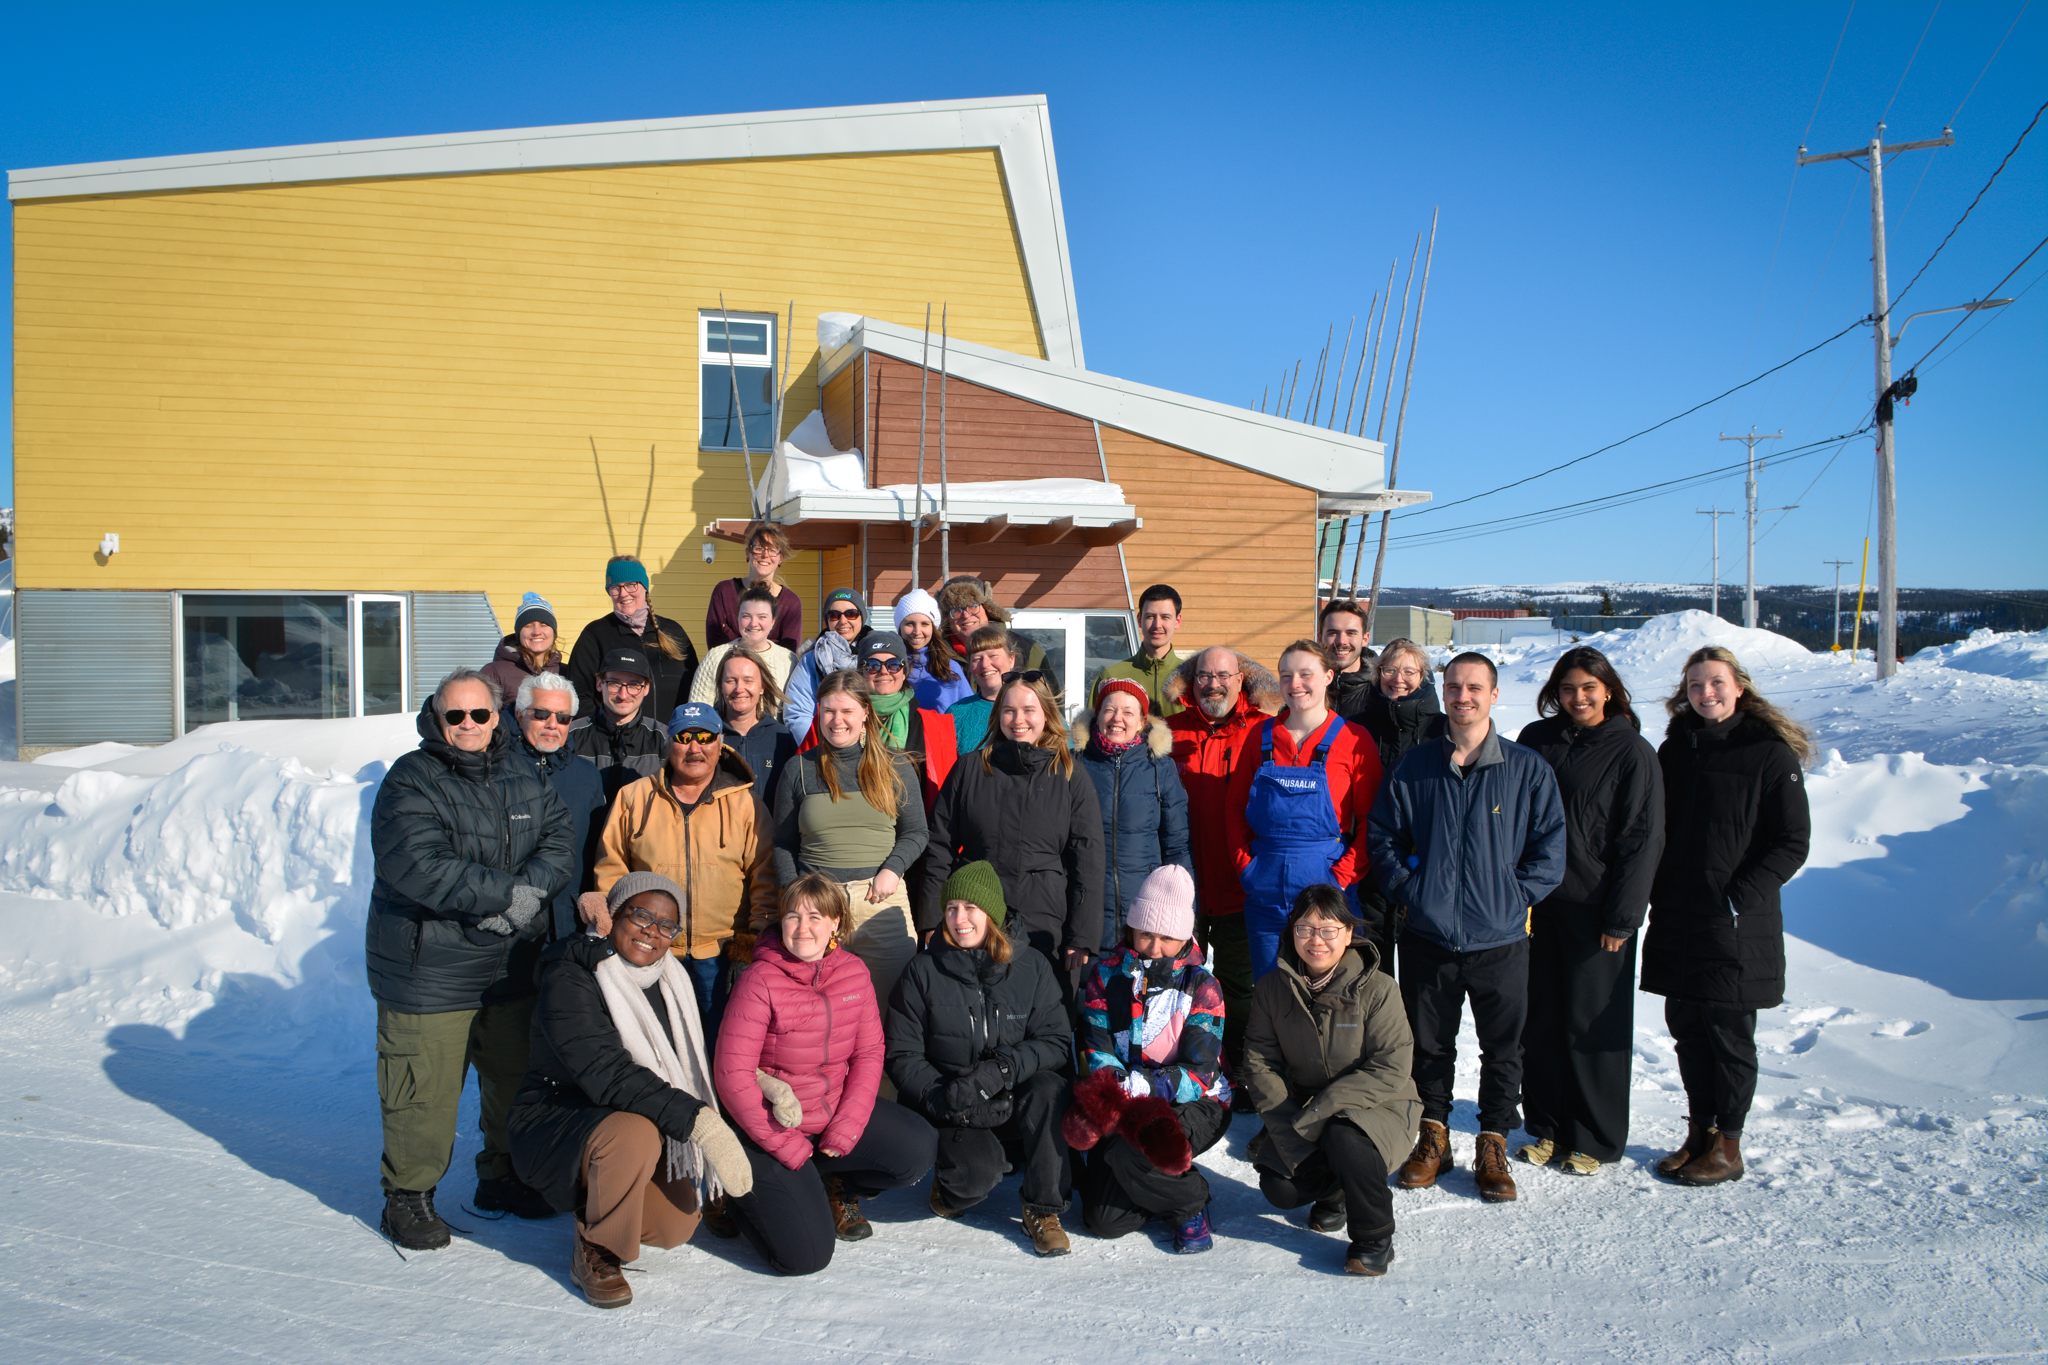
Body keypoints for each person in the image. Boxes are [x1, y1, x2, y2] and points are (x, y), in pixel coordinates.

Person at [364, 668, 575, 1249]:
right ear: (437, 718)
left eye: (479, 714)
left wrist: (526, 896)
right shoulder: (410, 779)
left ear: (496, 715)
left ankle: (504, 1176)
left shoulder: (521, 774)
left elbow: (558, 840)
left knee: (514, 1079)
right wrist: (506, 897)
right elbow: (417, 863)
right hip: (430, 968)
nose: (468, 725)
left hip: (508, 964)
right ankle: (407, 1195)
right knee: (423, 1091)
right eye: (454, 715)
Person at [1366, 652, 1566, 1205]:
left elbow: (1550, 848)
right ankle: (1433, 1137)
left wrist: (1513, 897)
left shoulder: (1526, 769)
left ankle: (1493, 1141)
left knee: (1503, 1048)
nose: (1463, 697)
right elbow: (1383, 836)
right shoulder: (1416, 767)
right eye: (1454, 686)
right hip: (1429, 936)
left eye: (1474, 687)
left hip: (1501, 938)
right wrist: (1412, 891)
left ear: (1494, 694)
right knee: (1430, 1045)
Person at [509, 873, 754, 1308]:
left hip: (623, 1126)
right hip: (556, 1121)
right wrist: (699, 1122)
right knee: (633, 1132)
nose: (651, 932)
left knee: (674, 1227)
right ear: (613, 917)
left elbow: (690, 1062)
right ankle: (597, 1249)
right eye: (641, 916)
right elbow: (606, 1071)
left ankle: (603, 1200)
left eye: (666, 925)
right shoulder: (572, 976)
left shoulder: (671, 980)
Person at [1642, 645, 1812, 1188]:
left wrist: (1737, 897)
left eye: (1716, 682)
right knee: (1688, 1031)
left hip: (1735, 924)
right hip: (1678, 916)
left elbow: (1792, 841)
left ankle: (1729, 1145)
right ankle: (1700, 1134)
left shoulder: (1768, 755)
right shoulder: (1676, 750)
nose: (1706, 693)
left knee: (1729, 1037)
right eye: (1695, 685)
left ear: (1739, 687)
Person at [715, 875, 938, 1274]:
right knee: (805, 1259)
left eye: (815, 917)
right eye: (793, 916)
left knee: (916, 1149)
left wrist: (846, 1128)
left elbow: (869, 1053)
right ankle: (739, 1198)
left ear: (836, 922)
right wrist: (788, 1147)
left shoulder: (853, 972)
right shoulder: (758, 979)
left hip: (829, 1112)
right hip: (773, 1127)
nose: (802, 928)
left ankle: (835, 1185)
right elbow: (733, 1074)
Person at [1514, 647, 1665, 1176]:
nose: (1578, 698)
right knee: (1542, 1020)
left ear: (1609, 691)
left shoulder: (1632, 752)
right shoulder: (1537, 739)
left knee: (1591, 1024)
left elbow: (1642, 841)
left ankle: (1594, 1136)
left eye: (1588, 688)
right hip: (1538, 906)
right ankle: (1547, 1127)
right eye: (1568, 688)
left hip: (1598, 911)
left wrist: (1623, 918)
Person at [884, 862, 1075, 1256]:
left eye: (971, 908)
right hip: (954, 1102)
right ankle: (950, 1183)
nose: (959, 919)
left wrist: (1002, 1069)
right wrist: (947, 1099)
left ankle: (1043, 1210)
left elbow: (1056, 1041)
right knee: (971, 1182)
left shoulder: (1032, 966)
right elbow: (902, 1054)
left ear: (993, 914)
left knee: (1050, 1090)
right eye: (951, 908)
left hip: (1012, 1095)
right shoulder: (922, 971)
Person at [1242, 885, 1419, 1277]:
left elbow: (1391, 1067)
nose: (1316, 940)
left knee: (1344, 1136)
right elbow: (1260, 1064)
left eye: (1328, 930)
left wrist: (1317, 1114)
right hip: (1306, 1109)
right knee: (1280, 1186)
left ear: (1348, 933)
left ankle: (1374, 1237)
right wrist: (1289, 1130)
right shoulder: (1271, 990)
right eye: (1305, 929)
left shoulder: (1378, 989)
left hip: (1380, 1106)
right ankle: (1337, 1188)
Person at [581, 702, 777, 1045]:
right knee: (659, 1053)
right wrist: (619, 935)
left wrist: (753, 944)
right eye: (684, 737)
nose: (694, 747)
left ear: (720, 743)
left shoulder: (746, 804)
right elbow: (611, 870)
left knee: (724, 1051)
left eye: (705, 737)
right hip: (650, 953)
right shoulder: (634, 798)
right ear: (669, 742)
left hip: (721, 955)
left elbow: (766, 877)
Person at [1065, 866, 1231, 1253]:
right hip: (1125, 1098)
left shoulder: (1202, 985)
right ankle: (1158, 1182)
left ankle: (1190, 1199)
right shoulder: (1105, 976)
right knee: (1104, 1220)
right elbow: (1098, 1047)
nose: (1154, 948)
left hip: (1196, 1102)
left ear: (1184, 937)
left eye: (1167, 938)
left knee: (1127, 1150)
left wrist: (1145, 1087)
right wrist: (1119, 1090)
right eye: (1145, 934)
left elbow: (1200, 1072)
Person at [919, 671, 1104, 986]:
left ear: (1046, 714)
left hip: (1046, 927)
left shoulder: (1070, 775)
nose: (1019, 720)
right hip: (975, 923)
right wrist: (931, 921)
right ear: (997, 715)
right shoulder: (970, 769)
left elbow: (1088, 861)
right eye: (1009, 710)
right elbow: (939, 847)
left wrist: (1082, 935)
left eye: (1029, 710)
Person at [1225, 640, 1384, 983]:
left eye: (1305, 674)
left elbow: (1373, 822)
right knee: (1272, 991)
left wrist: (1340, 878)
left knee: (1332, 993)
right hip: (1265, 892)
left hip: (1327, 890)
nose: (1294, 684)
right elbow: (1235, 808)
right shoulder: (1260, 737)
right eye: (1286, 675)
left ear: (1328, 676)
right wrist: (1246, 867)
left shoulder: (1354, 740)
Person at [770, 670, 928, 1012]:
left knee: (893, 1011)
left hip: (880, 905)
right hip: (818, 909)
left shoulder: (896, 766)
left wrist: (893, 869)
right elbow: (783, 842)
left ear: (865, 713)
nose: (837, 720)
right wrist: (795, 895)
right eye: (829, 711)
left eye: (847, 711)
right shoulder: (798, 769)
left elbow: (917, 831)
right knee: (820, 1013)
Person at [1163, 645, 1281, 1083]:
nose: (1213, 684)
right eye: (1204, 676)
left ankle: (1240, 1071)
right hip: (1181, 886)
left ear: (1240, 680)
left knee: (1239, 987)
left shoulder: (1264, 731)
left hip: (1239, 885)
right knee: (1176, 983)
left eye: (1222, 676)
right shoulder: (1168, 731)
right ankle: (1177, 1069)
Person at [1076, 678, 1193, 954]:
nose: (1117, 718)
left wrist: (1184, 915)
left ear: (1141, 722)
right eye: (1109, 709)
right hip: (1086, 916)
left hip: (1147, 922)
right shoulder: (1074, 765)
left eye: (1128, 712)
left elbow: (1177, 847)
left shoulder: (1160, 769)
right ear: (1097, 716)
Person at [1352, 638, 1446, 972]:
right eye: (1390, 670)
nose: (1398, 679)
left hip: (1426, 865)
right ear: (1377, 674)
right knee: (1371, 964)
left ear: (1423, 676)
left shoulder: (1441, 729)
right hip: (1370, 862)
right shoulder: (1357, 727)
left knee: (1422, 968)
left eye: (1409, 671)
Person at [511, 673, 607, 939]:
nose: (552, 724)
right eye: (541, 714)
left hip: (570, 923)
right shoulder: (497, 772)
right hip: (514, 923)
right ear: (519, 715)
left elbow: (598, 850)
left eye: (563, 718)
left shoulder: (587, 775)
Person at [567, 555, 701, 721]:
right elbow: (578, 695)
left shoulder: (673, 631)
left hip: (672, 734)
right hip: (616, 736)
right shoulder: (595, 635)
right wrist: (605, 730)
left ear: (644, 587)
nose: (623, 594)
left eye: (631, 585)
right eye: (615, 587)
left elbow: (697, 689)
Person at [841, 630, 959, 813]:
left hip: (914, 822)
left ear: (904, 672)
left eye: (893, 664)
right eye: (872, 665)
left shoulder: (934, 726)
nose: (883, 671)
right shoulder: (840, 721)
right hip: (855, 819)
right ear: (861, 672)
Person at [567, 647, 670, 805]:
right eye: (614, 684)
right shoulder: (572, 735)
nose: (623, 695)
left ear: (646, 688)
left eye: (634, 685)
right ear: (599, 684)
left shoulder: (664, 738)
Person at [785, 587, 872, 744]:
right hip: (824, 745)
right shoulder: (813, 660)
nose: (843, 621)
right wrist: (821, 749)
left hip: (870, 745)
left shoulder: (876, 657)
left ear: (862, 617)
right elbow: (798, 713)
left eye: (851, 614)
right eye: (834, 615)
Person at [712, 647, 797, 804]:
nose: (739, 689)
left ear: (762, 687)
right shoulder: (708, 737)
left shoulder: (781, 738)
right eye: (730, 681)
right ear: (721, 686)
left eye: (748, 680)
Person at [705, 523, 803, 652]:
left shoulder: (791, 603)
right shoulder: (724, 592)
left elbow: (788, 652)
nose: (765, 555)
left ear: (780, 558)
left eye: (772, 550)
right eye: (759, 548)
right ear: (748, 553)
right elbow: (716, 643)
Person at [1092, 584, 1186, 717]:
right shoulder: (1111, 677)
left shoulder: (1193, 678)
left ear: (1177, 621)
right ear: (1139, 619)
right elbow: (1092, 726)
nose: (1157, 625)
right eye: (1150, 617)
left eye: (1165, 617)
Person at [691, 585, 795, 703]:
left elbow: (795, 707)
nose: (753, 623)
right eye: (746, 616)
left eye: (762, 617)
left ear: (773, 622)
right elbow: (698, 708)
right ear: (738, 619)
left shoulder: (788, 660)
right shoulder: (715, 657)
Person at [935, 577, 1050, 675]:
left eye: (973, 606)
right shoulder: (934, 653)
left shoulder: (1027, 650)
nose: (966, 615)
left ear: (988, 609)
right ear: (946, 618)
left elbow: (1048, 693)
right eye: (956, 610)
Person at [482, 592, 565, 715]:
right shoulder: (494, 672)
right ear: (519, 634)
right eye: (528, 626)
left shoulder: (566, 672)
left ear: (553, 632)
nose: (537, 632)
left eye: (544, 625)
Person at [894, 587, 974, 712]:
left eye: (925, 624)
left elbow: (968, 713)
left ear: (933, 628)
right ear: (900, 627)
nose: (917, 631)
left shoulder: (950, 668)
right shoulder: (890, 667)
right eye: (909, 624)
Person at [945, 624, 1019, 753]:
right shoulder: (956, 712)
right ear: (969, 666)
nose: (985, 664)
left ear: (1011, 659)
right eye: (977, 659)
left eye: (993, 656)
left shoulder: (1035, 706)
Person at [1319, 598, 1380, 722]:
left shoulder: (1381, 691)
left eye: (1351, 633)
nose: (1341, 641)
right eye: (1333, 633)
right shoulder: (1306, 687)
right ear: (1320, 639)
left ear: (1365, 639)